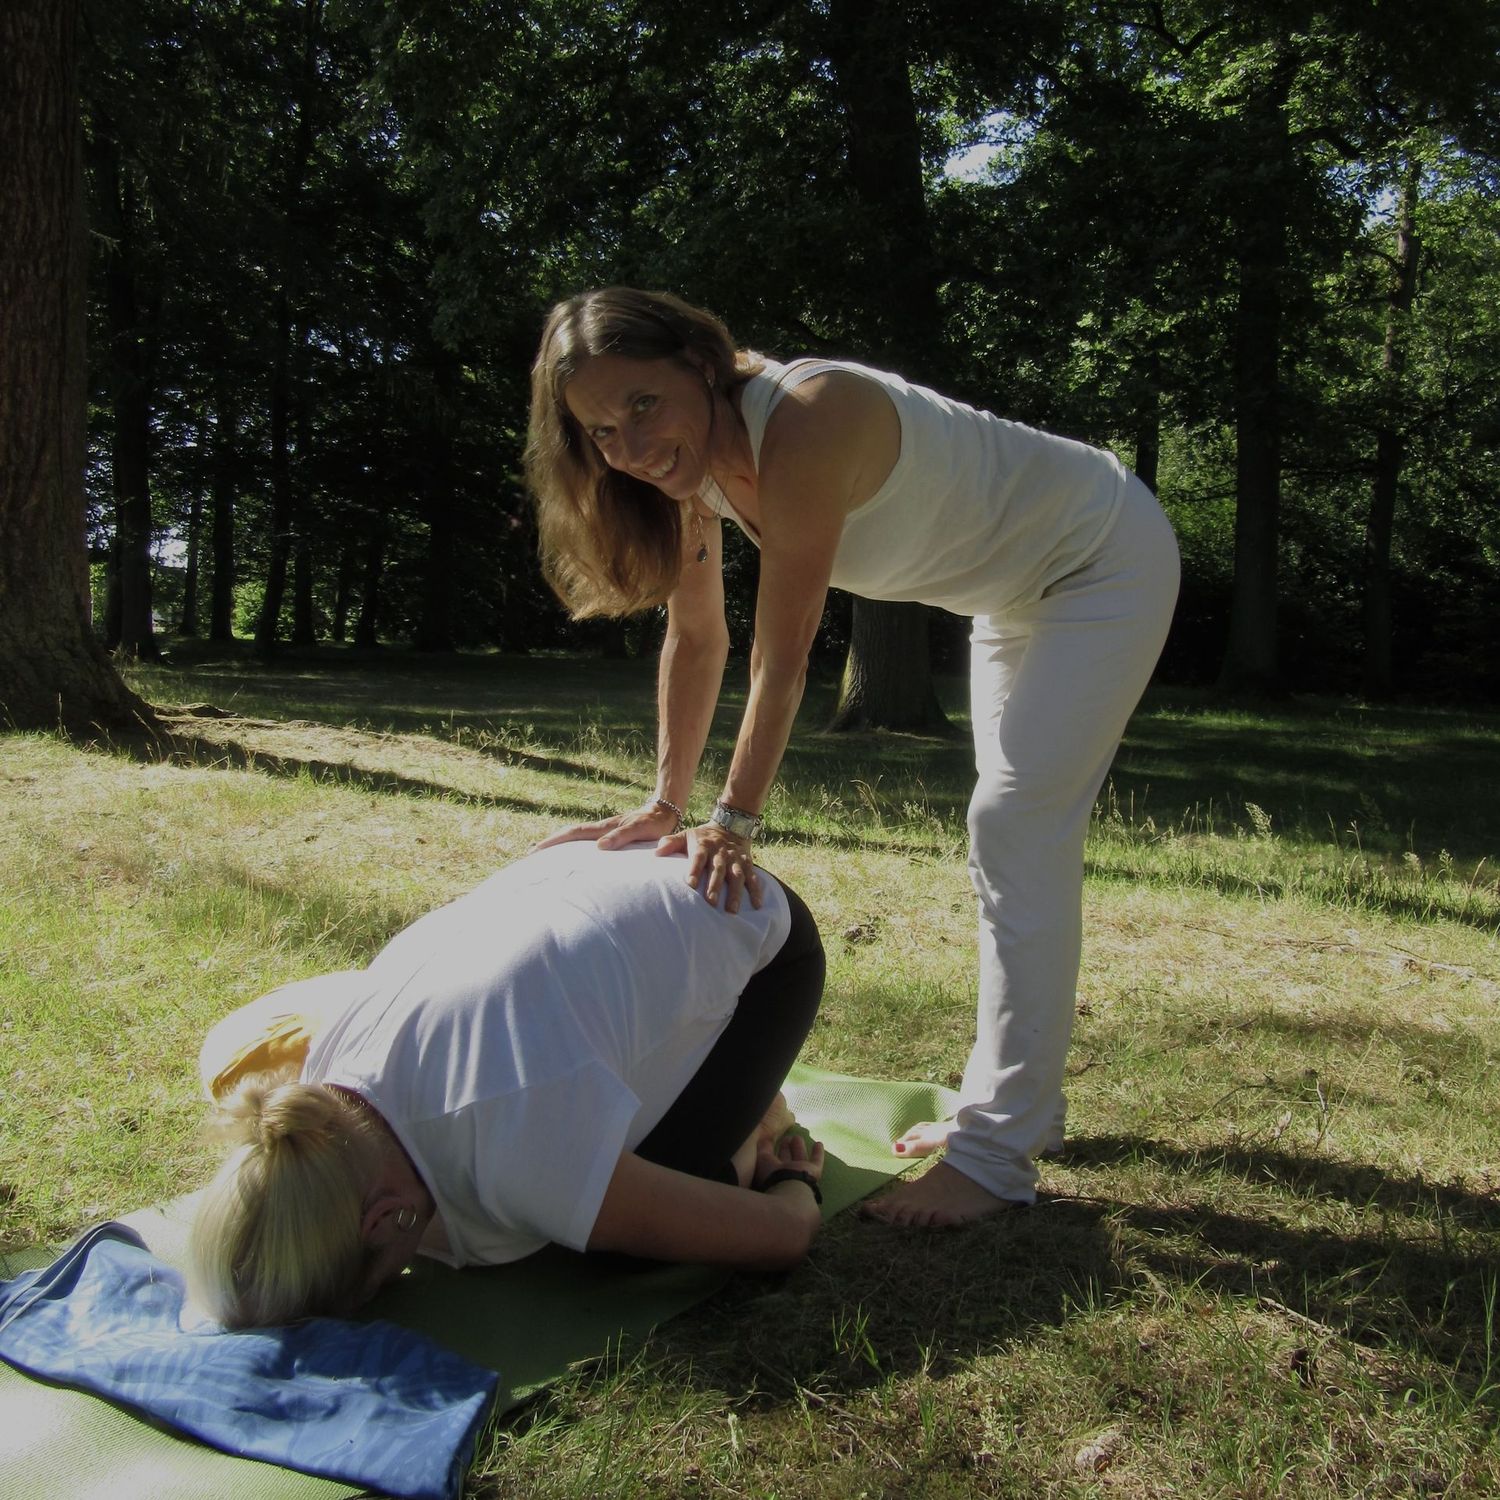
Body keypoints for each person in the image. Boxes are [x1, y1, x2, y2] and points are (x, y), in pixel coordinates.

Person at [525, 287, 1180, 1228]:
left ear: (701, 366)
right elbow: (698, 637)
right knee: (1017, 839)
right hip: (1011, 597)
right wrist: (668, 803)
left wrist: (735, 820)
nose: (628, 445)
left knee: (1014, 826)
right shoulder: (692, 473)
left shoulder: (809, 417)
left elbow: (782, 655)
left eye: (642, 405)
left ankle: (996, 1154)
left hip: (1103, 558)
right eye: (599, 429)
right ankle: (1014, 1103)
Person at [188, 841, 826, 1329]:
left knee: (631, 1247)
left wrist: (792, 1182)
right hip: (611, 875)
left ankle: (757, 1106)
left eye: (382, 1280)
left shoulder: (517, 1152)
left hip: (752, 925)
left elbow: (781, 1234)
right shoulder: (324, 1082)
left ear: (385, 1220)